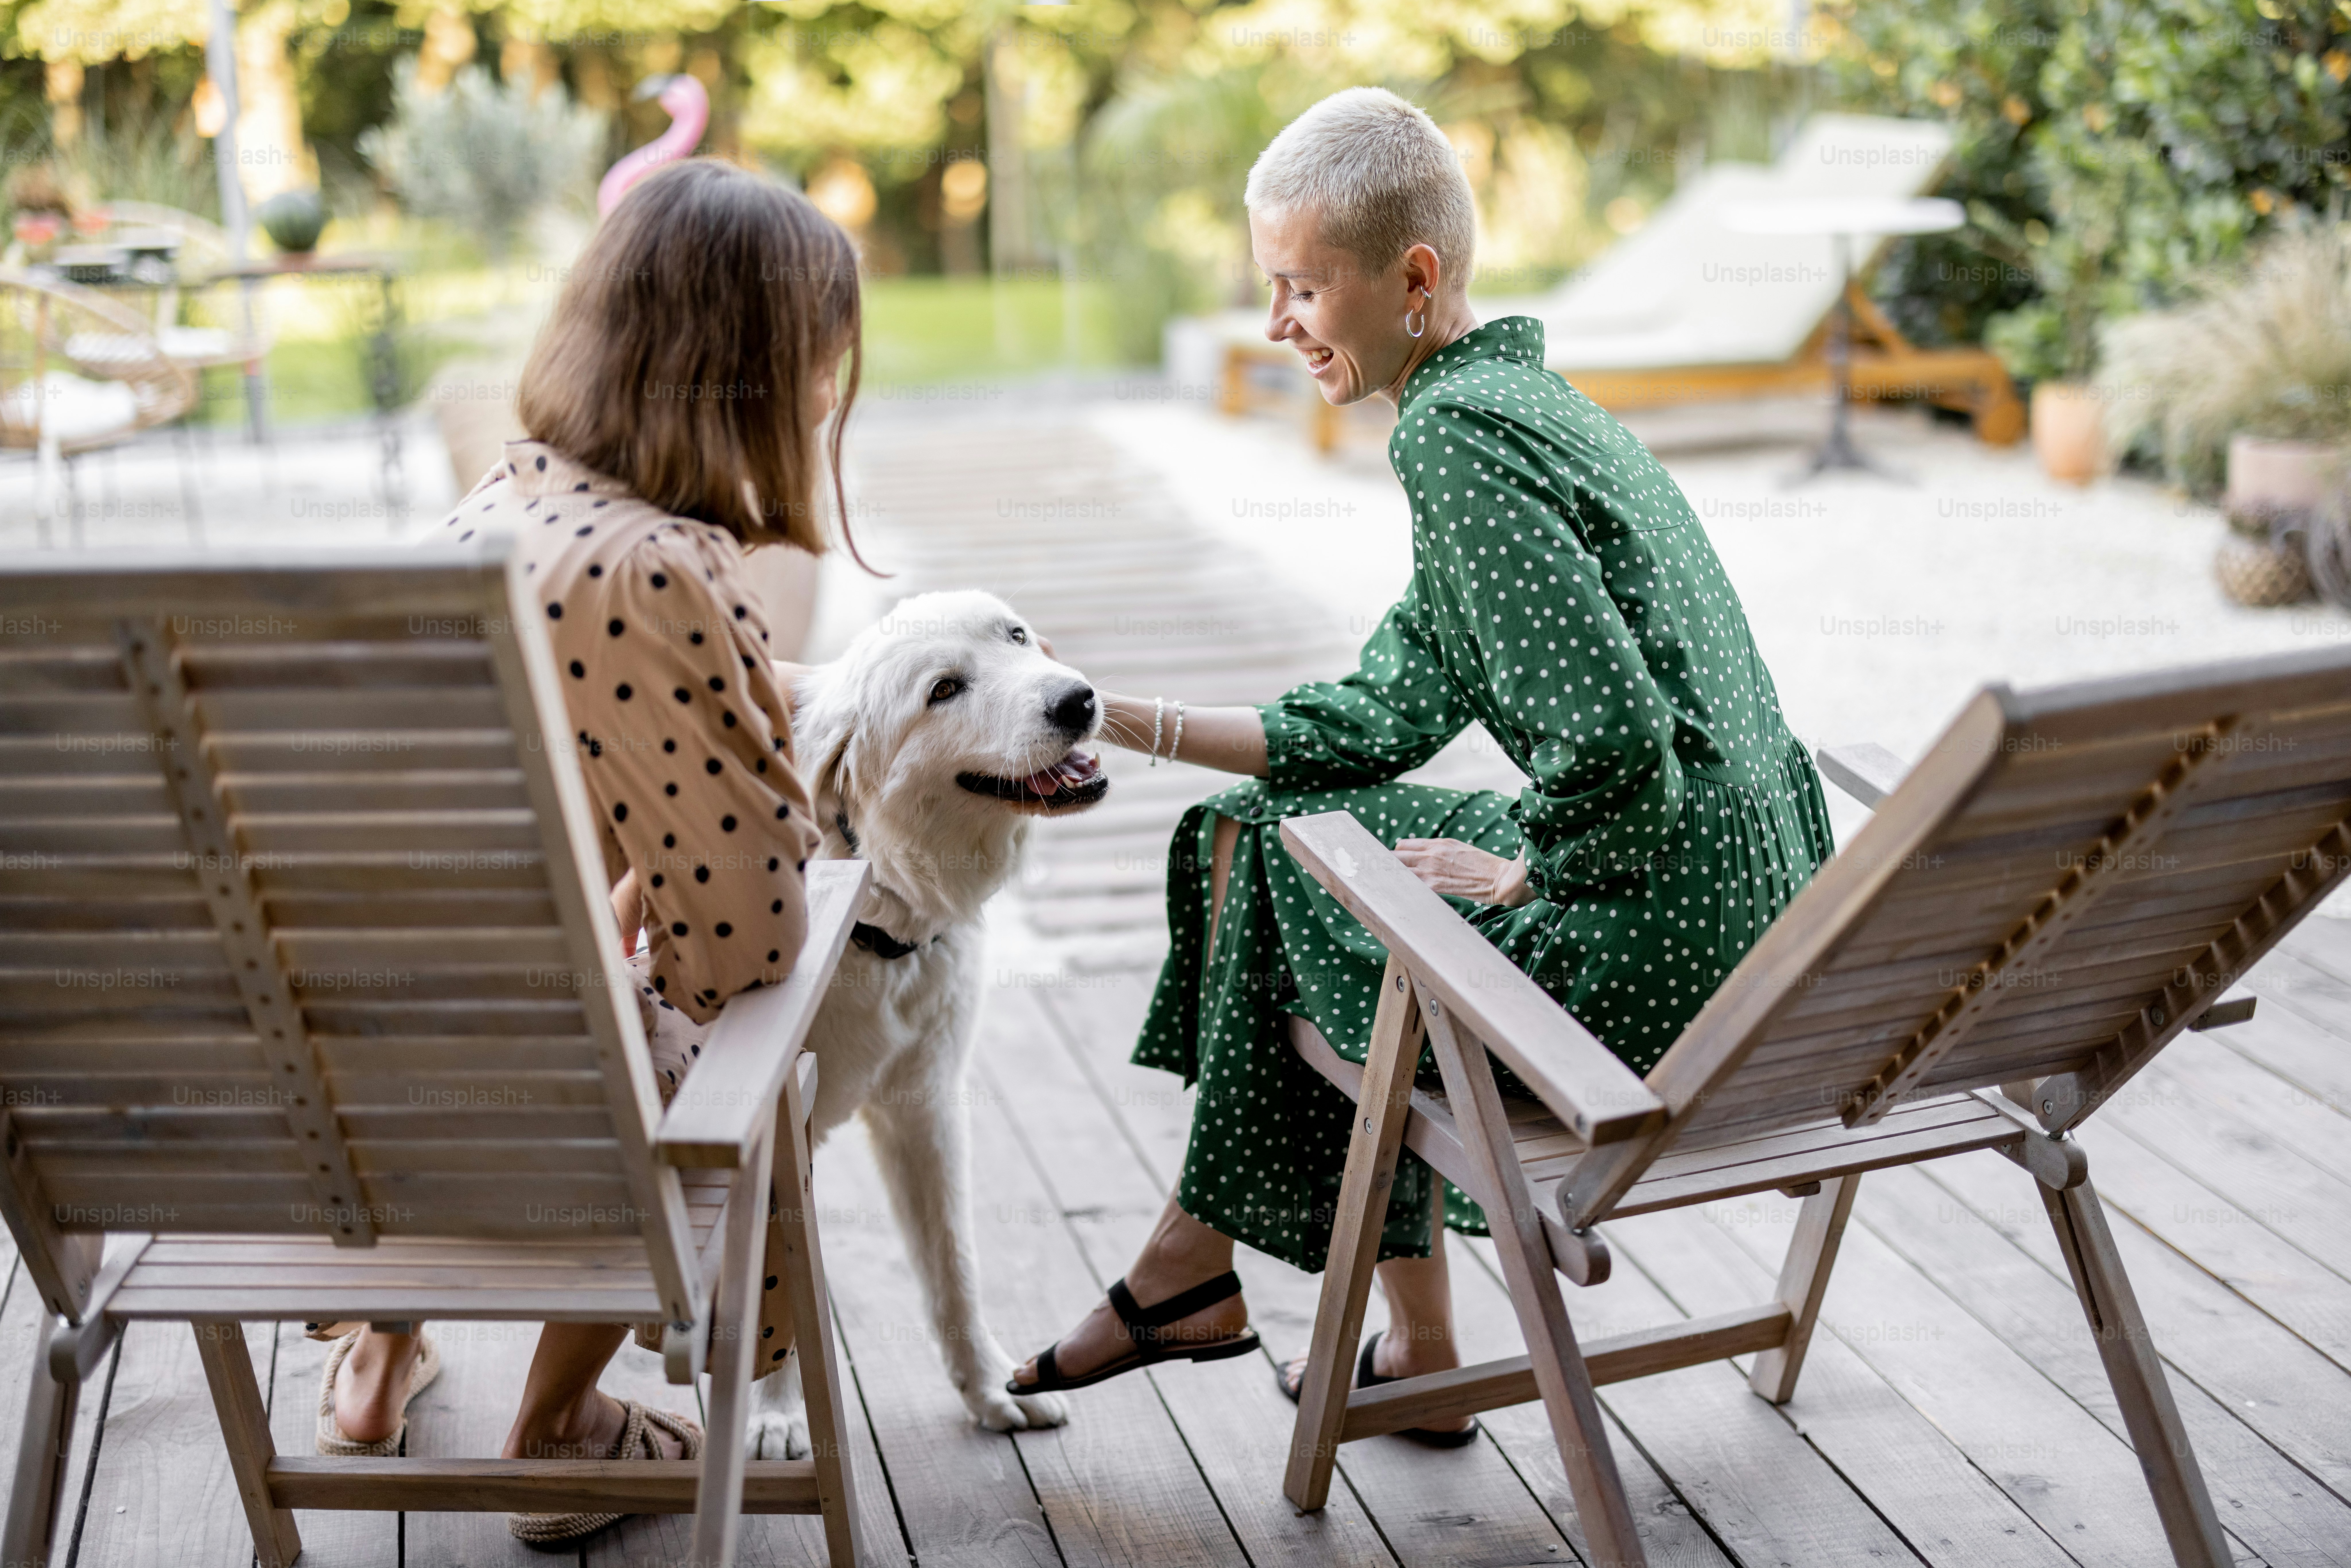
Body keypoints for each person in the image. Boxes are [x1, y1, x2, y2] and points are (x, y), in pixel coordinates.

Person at [1009, 89, 1834, 1439]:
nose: (1277, 321)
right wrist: (1113, 715)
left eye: (1299, 286)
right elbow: (1371, 716)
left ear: (1412, 278)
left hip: (1650, 961)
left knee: (1283, 862)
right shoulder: (1523, 402)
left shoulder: (1450, 438)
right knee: (1262, 825)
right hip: (1762, 919)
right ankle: (1385, 1333)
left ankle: (1204, 1276)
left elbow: (1615, 749)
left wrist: (1518, 874)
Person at [325, 159, 854, 1542]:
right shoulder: (668, 568)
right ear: (752, 366)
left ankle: (378, 1353)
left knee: (450, 956)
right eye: (820, 358)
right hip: (534, 1120)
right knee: (721, 1032)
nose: (828, 392)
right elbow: (747, 938)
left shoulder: (488, 512)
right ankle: (559, 1427)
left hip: (349, 1102)